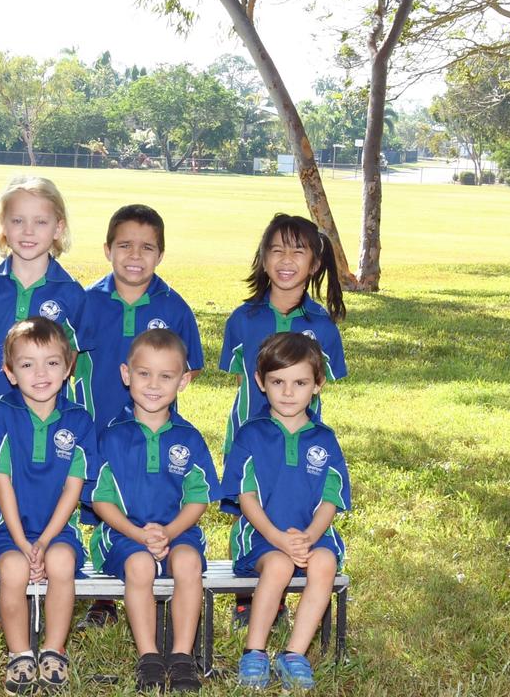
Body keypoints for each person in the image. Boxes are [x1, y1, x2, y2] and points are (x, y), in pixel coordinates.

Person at [0, 176, 91, 636]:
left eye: (41, 221)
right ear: (2, 227)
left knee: (51, 489)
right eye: (17, 220)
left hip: (48, 416)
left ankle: (57, 562)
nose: (29, 230)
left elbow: (80, 360)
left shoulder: (74, 293)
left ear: (58, 227)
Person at [76, 204, 203, 629]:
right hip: (96, 426)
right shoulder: (86, 301)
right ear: (108, 248)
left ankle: (156, 573)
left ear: (161, 254)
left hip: (152, 430)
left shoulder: (176, 306)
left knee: (145, 499)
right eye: (125, 245)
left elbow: (191, 366)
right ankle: (107, 595)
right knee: (100, 502)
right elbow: (64, 360)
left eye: (147, 247)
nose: (135, 255)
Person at [220, 213, 347, 627]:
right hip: (249, 433)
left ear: (314, 263)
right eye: (276, 249)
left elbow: (325, 380)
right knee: (251, 504)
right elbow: (239, 375)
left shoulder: (323, 326)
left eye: (298, 250)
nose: (286, 259)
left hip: (300, 438)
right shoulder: (243, 318)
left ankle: (305, 583)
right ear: (263, 257)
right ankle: (250, 595)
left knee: (295, 501)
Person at [85, 329, 217, 693]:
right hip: (123, 535)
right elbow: (101, 500)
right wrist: (139, 534)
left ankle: (181, 656)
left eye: (166, 375)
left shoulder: (189, 438)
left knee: (189, 562)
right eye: (144, 374)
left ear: (184, 380)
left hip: (178, 532)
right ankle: (148, 657)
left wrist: (170, 533)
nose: (154, 384)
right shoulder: (112, 436)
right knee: (141, 565)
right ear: (127, 375)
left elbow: (199, 498)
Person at [0, 318, 94, 695]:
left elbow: (74, 488)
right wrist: (25, 543)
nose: (40, 374)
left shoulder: (79, 420)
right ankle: (20, 653)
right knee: (13, 569)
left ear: (68, 366)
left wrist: (47, 539)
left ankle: (54, 651)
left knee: (61, 562)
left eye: (51, 363)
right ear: (9, 372)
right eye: (27, 364)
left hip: (57, 529)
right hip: (6, 531)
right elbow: (1, 481)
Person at [221, 333, 350, 690]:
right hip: (261, 537)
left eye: (300, 382)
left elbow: (331, 499)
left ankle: (294, 653)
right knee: (278, 564)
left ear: (318, 385)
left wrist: (309, 537)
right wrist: (278, 538)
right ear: (261, 383)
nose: (288, 392)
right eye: (278, 382)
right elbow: (245, 497)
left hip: (312, 536)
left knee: (325, 563)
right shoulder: (251, 435)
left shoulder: (324, 439)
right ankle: (255, 652)